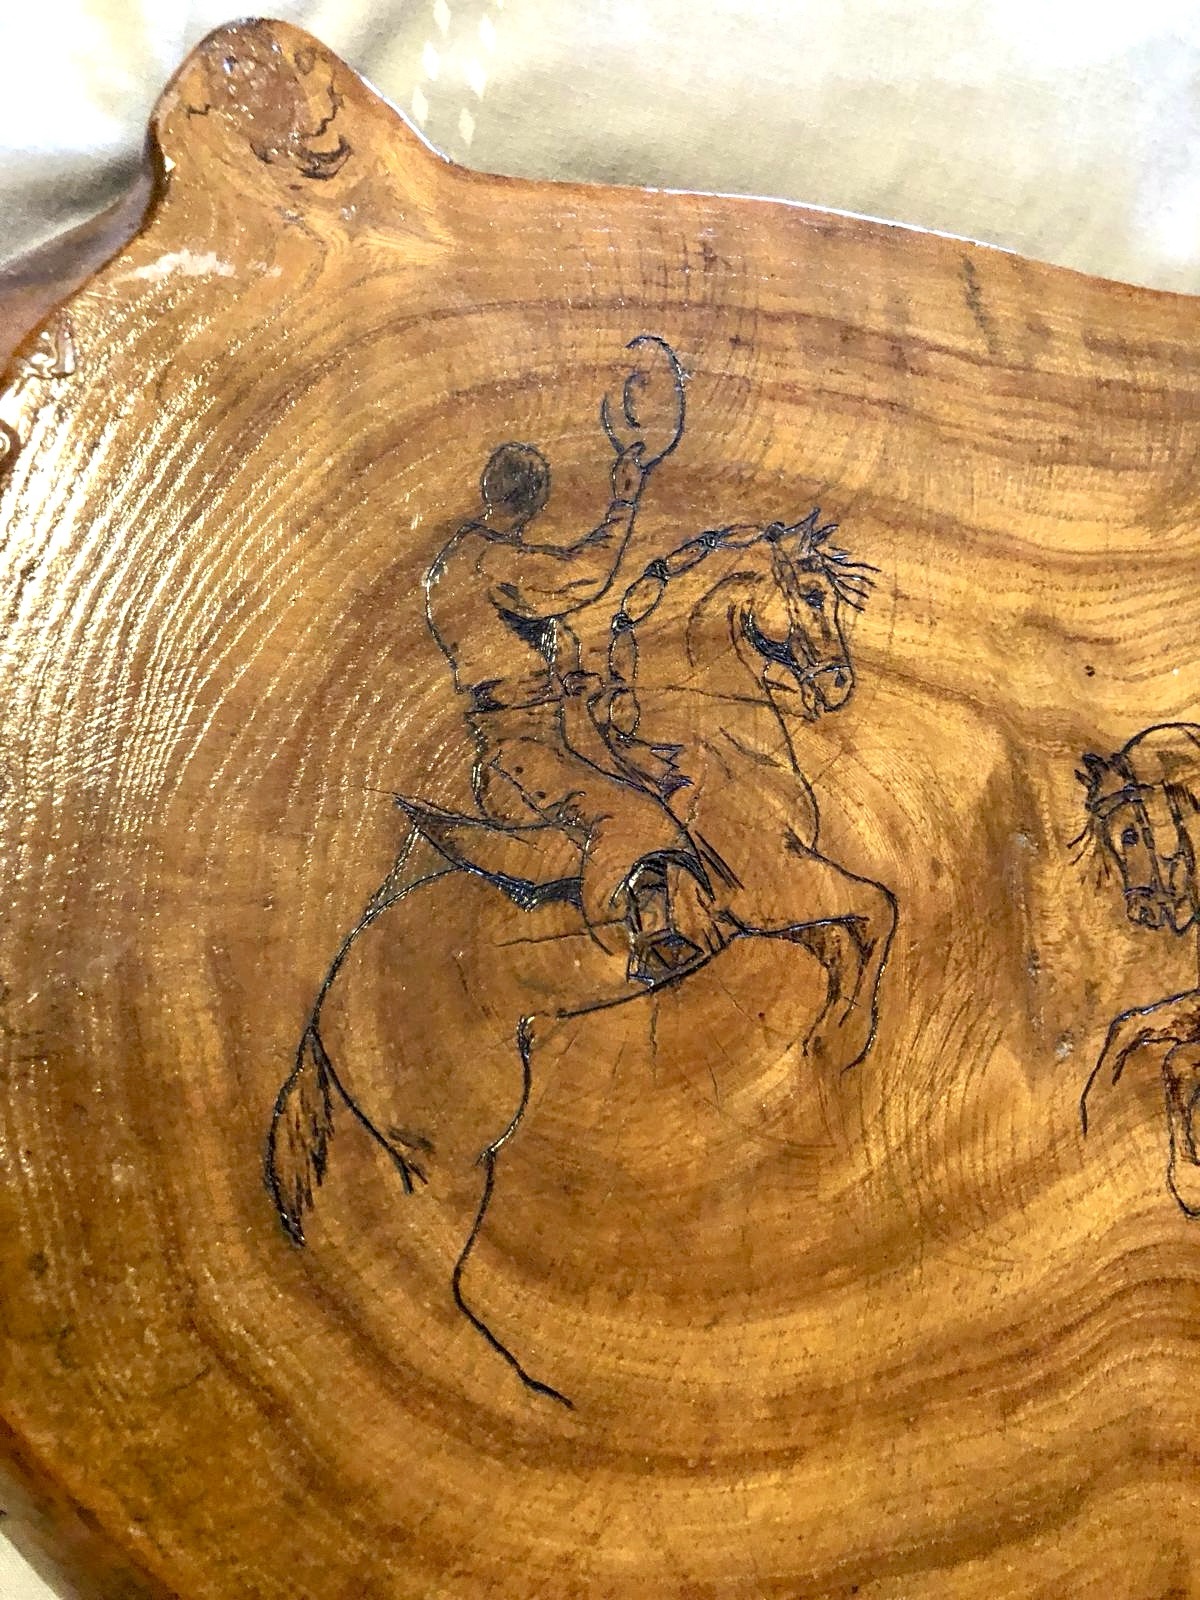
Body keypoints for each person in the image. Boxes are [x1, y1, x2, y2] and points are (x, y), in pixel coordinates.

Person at [424, 436, 711, 979]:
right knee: (630, 818)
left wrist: (567, 682)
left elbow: (513, 654)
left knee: (676, 779)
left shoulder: (469, 560)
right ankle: (645, 951)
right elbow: (581, 574)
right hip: (519, 752)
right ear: (533, 499)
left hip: (556, 735)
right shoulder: (486, 559)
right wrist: (624, 502)